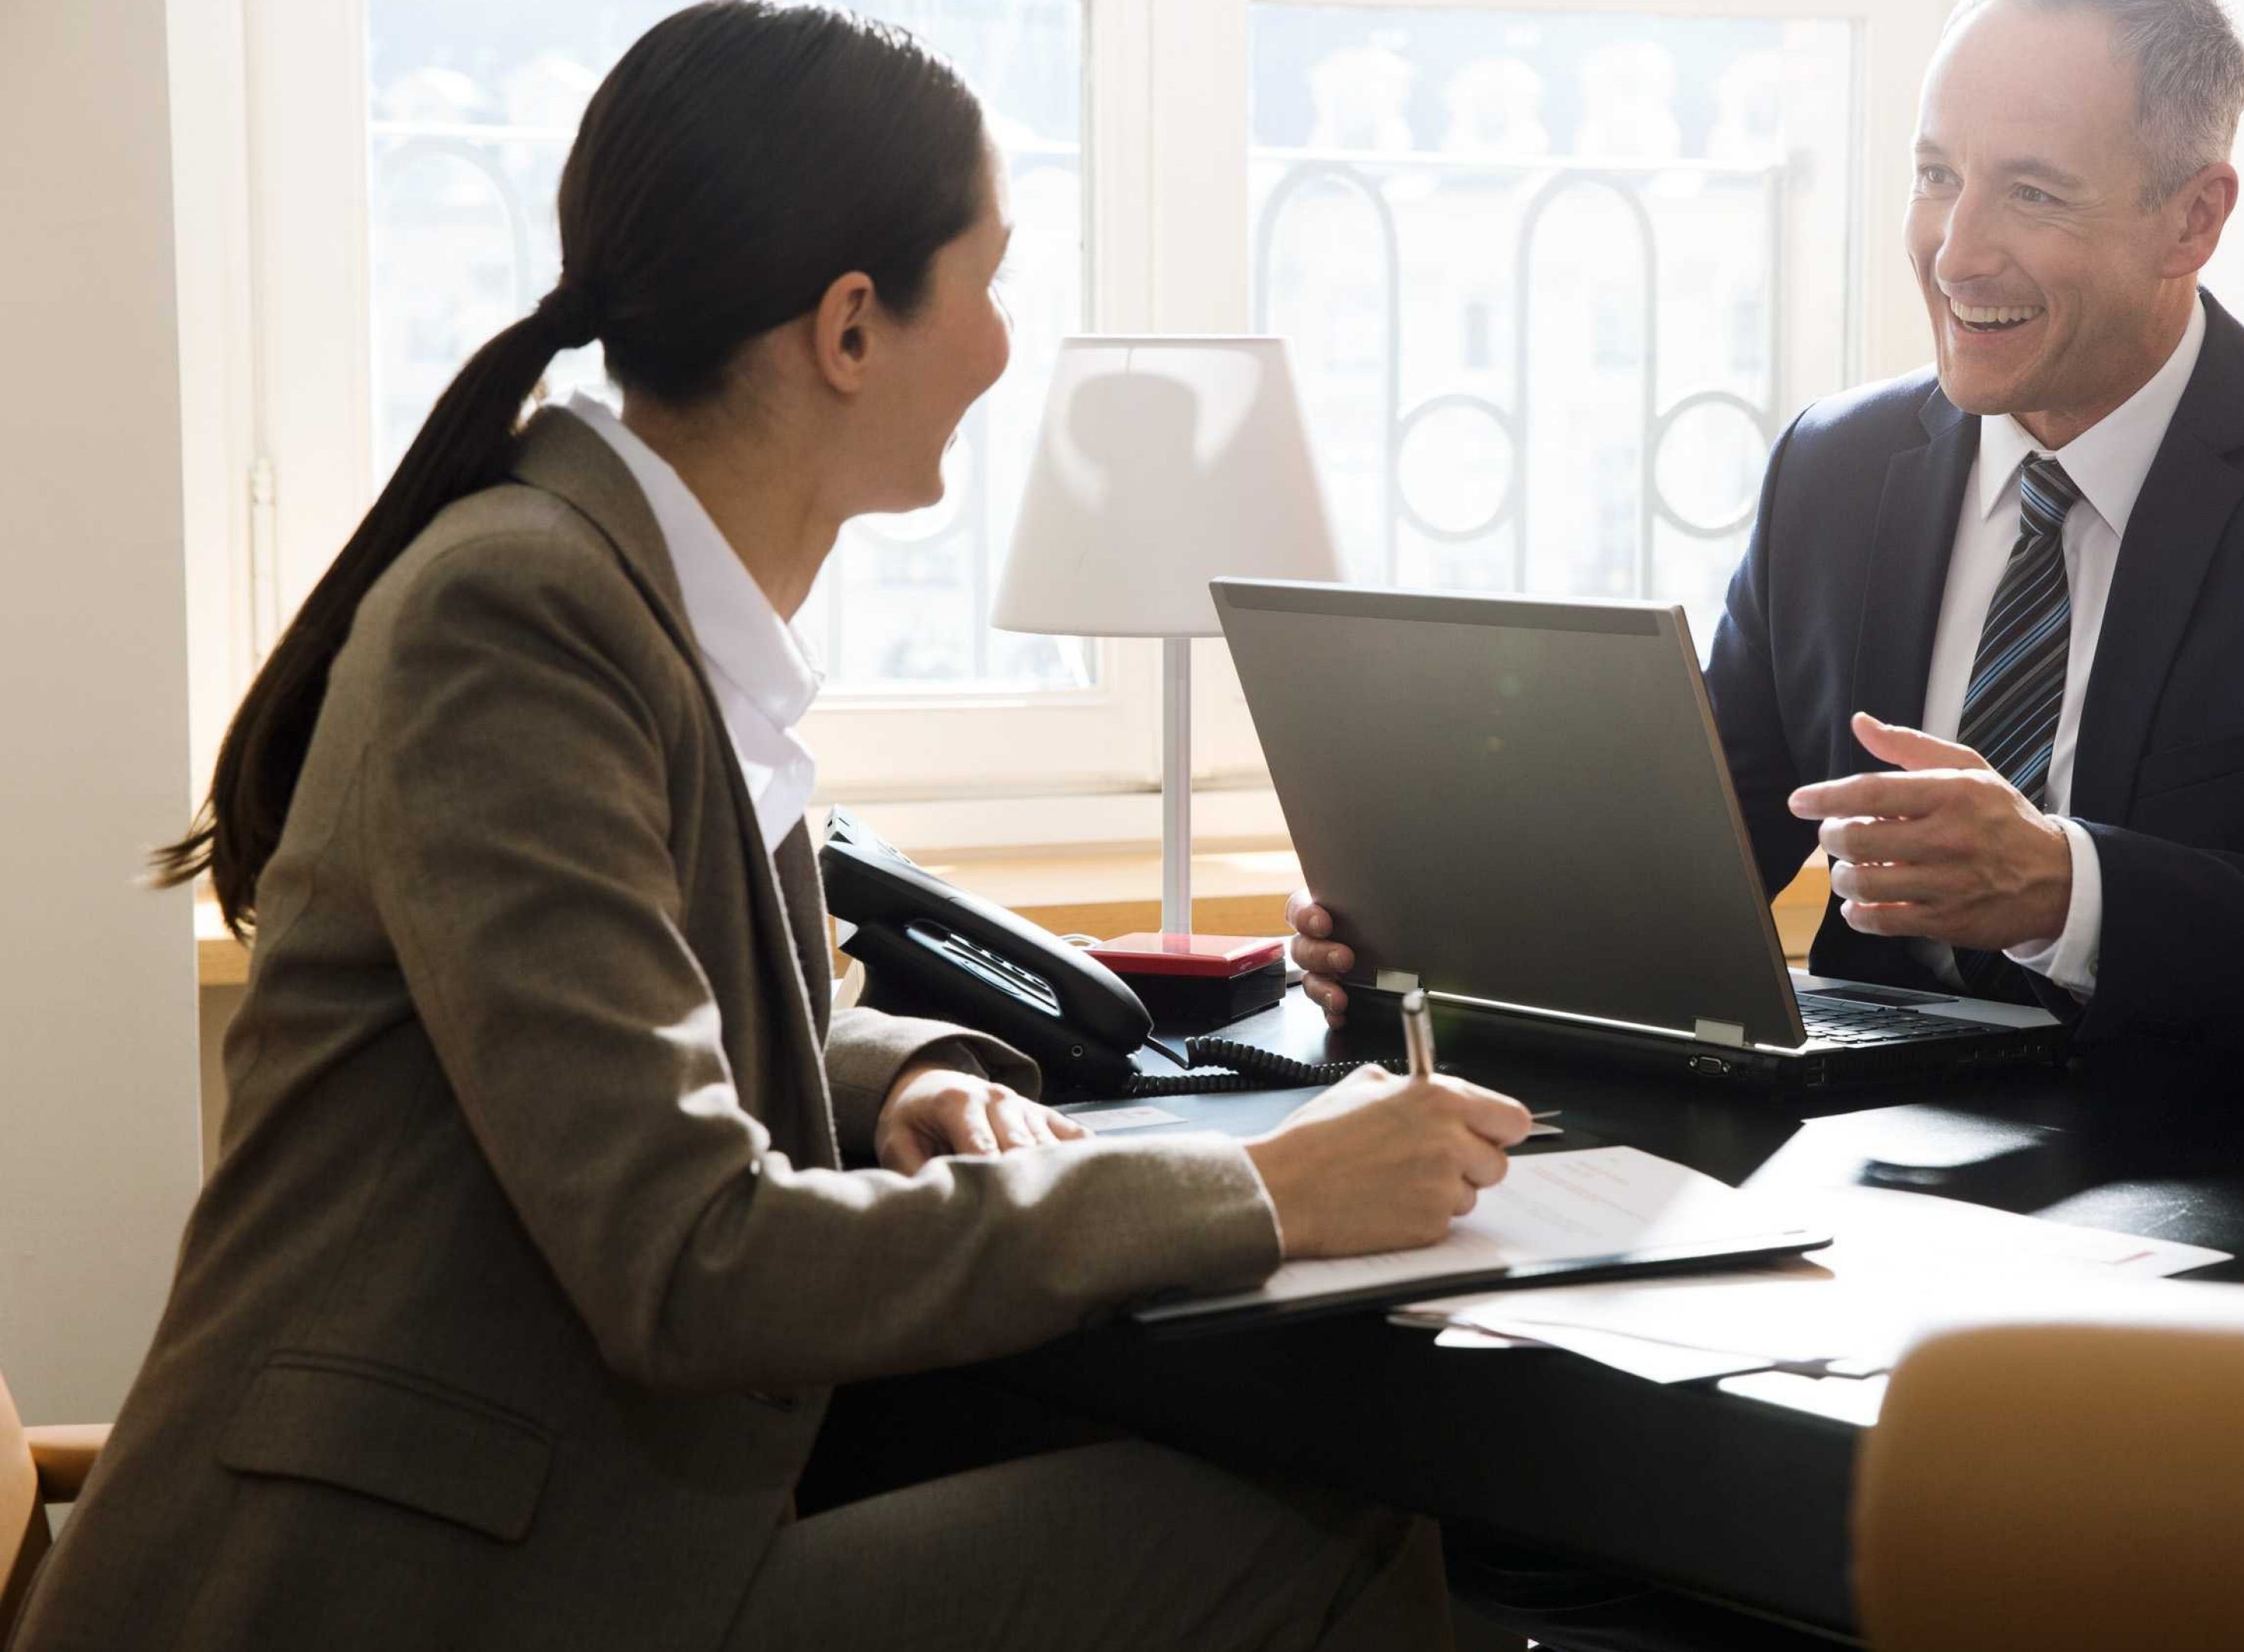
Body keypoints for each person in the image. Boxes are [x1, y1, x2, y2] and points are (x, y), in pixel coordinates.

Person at [15, 7, 1526, 1650]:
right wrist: (1264, 1194)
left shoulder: (635, 601)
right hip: (411, 1585)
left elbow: (661, 1039)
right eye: (992, 281)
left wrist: (898, 1081)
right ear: (852, 329)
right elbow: (688, 1248)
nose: (1008, 349)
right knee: (1328, 1538)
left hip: (553, 1520)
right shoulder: (517, 620)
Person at [1293, 0, 2244, 1074]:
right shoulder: (1834, 467)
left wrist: (2067, 888)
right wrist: (1435, 939)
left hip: (2200, 1188)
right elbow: (1708, 847)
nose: (1955, 248)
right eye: (1937, 174)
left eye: (2032, 192)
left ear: (2193, 221)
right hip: (1856, 1157)